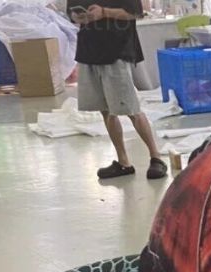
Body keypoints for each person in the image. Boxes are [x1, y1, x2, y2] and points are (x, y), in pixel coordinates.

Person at [70, 0, 167, 180]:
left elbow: (134, 13)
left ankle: (156, 157)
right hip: (89, 51)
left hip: (117, 50)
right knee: (105, 110)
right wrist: (79, 16)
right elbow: (72, 14)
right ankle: (123, 162)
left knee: (131, 109)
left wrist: (104, 12)